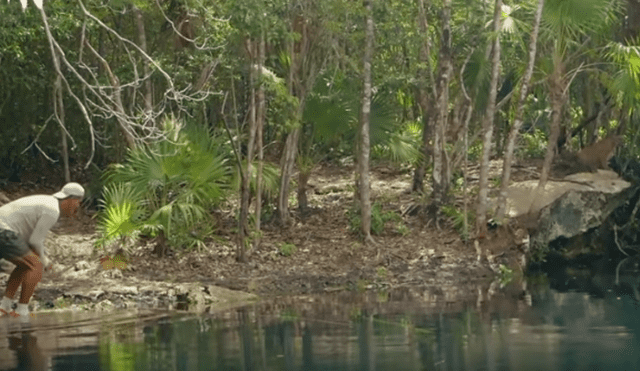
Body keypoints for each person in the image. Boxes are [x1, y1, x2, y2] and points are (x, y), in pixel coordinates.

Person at [0, 182, 84, 318]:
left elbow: (33, 239)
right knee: (35, 266)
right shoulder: (52, 210)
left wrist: (43, 254)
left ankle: (5, 306)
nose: (78, 206)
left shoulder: (48, 202)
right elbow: (35, 241)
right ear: (71, 199)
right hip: (4, 230)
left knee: (25, 264)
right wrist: (44, 260)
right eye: (78, 202)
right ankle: (22, 311)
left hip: (5, 229)